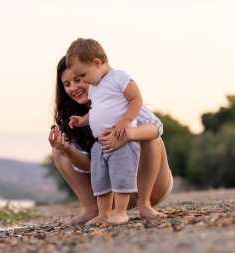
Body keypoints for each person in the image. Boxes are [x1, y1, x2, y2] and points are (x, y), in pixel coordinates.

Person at [48, 55, 173, 225]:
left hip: (150, 187)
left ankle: (145, 205)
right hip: (113, 192)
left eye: (78, 79)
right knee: (59, 150)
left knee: (151, 138)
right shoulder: (76, 119)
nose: (74, 88)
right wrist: (67, 149)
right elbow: (87, 166)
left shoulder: (118, 97)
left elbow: (156, 127)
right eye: (67, 84)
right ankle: (92, 210)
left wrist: (127, 135)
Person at [65, 38, 143, 224]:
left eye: (82, 75)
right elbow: (97, 111)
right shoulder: (94, 87)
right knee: (100, 179)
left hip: (121, 139)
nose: (82, 81)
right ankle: (103, 214)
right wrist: (83, 120)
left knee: (120, 175)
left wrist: (126, 121)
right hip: (99, 142)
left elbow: (136, 99)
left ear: (97, 63)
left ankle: (121, 212)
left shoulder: (119, 77)